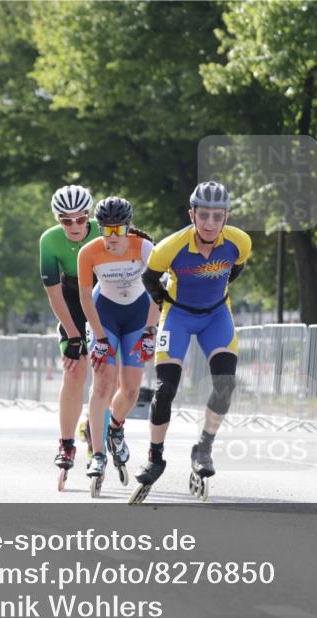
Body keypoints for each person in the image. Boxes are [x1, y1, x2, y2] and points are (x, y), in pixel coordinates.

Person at [131, 181, 251, 503]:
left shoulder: (240, 242)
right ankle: (155, 457)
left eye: (217, 216)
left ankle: (204, 447)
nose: (210, 223)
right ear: (192, 215)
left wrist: (214, 291)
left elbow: (235, 269)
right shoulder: (169, 247)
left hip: (216, 315)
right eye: (204, 215)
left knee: (225, 384)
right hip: (178, 316)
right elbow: (149, 278)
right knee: (165, 388)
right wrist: (165, 301)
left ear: (226, 217)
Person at [77, 196, 160, 496]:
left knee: (132, 389)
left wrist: (150, 331)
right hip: (105, 315)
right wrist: (99, 338)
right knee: (103, 384)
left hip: (138, 315)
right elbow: (85, 298)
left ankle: (115, 426)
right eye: (106, 230)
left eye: (118, 230)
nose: (112, 237)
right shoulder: (89, 252)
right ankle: (98, 453)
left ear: (129, 227)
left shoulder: (145, 248)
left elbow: (158, 292)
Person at [39, 184, 100, 489]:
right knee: (74, 371)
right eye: (66, 220)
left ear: (89, 216)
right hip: (71, 300)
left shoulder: (104, 230)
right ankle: (66, 444)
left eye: (81, 219)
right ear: (58, 219)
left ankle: (95, 424)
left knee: (108, 373)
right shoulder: (49, 240)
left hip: (103, 297)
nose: (74, 226)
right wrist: (74, 337)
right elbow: (54, 294)